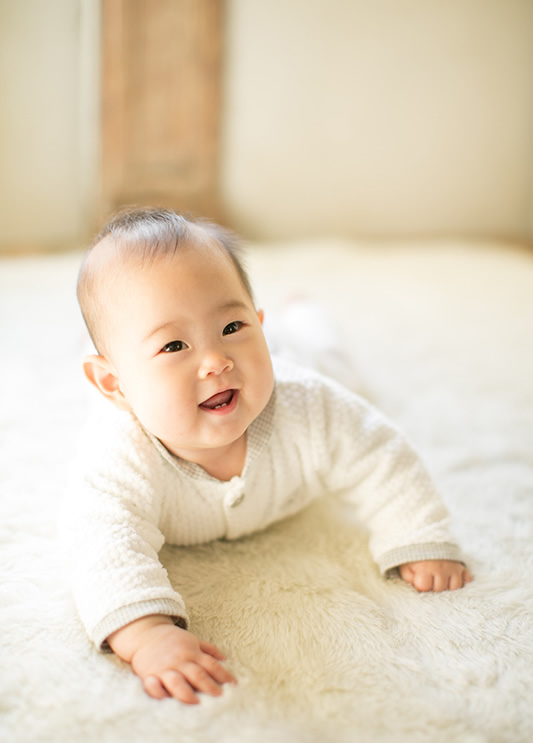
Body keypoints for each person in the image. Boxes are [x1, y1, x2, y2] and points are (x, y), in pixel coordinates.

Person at [60, 207, 472, 705]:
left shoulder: (310, 404)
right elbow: (102, 544)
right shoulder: (118, 457)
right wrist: (145, 633)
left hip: (298, 358)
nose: (216, 361)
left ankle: (304, 317)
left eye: (233, 326)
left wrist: (417, 532)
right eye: (174, 345)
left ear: (257, 324)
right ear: (115, 385)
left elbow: (379, 453)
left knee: (336, 367)